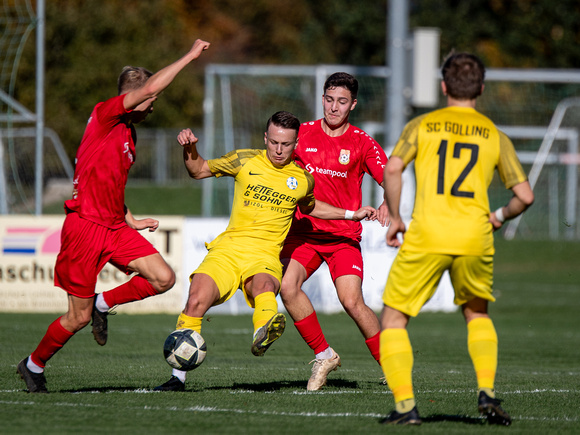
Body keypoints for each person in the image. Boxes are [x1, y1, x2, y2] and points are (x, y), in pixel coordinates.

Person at [16, 39, 211, 393]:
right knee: (77, 317)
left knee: (163, 278)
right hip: (85, 228)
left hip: (114, 226)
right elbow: (151, 87)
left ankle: (104, 303)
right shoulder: (106, 114)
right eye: (151, 100)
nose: (154, 105)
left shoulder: (129, 134)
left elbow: (107, 179)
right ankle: (33, 365)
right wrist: (190, 56)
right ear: (135, 97)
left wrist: (130, 217)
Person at [155, 111, 377, 391]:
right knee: (196, 300)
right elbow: (198, 170)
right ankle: (178, 379)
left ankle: (264, 331)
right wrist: (190, 148)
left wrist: (349, 214)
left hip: (265, 256)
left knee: (265, 286)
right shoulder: (244, 160)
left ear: (296, 143)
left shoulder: (302, 178)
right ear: (265, 138)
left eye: (286, 144)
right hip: (227, 251)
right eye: (273, 142)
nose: (279, 149)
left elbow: (311, 208)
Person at [378, 52, 534, 425]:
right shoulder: (494, 134)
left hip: (428, 233)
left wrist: (396, 217)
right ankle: (487, 392)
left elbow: (393, 167)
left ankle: (405, 408)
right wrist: (498, 216)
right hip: (474, 236)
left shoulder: (423, 125)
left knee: (394, 319)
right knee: (477, 313)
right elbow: (525, 196)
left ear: (444, 86)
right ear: (481, 88)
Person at [279, 72, 389, 391]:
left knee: (352, 301)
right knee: (288, 288)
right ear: (322, 99)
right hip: (305, 233)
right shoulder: (303, 134)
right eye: (329, 100)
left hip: (343, 238)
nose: (334, 107)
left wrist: (386, 203)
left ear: (352, 104)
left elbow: (390, 177)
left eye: (342, 102)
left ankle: (392, 364)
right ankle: (324, 354)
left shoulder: (361, 142)